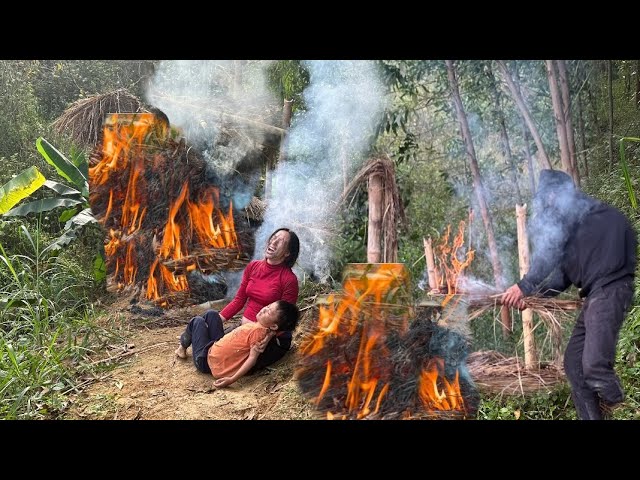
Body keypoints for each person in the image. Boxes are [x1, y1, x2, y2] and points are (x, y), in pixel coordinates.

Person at [502, 169, 636, 420]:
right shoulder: (579, 226)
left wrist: (523, 285)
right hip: (596, 294)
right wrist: (533, 298)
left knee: (595, 367)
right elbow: (561, 278)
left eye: (545, 198)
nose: (543, 204)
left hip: (610, 289)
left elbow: (548, 255)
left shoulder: (575, 211)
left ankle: (629, 409)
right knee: (574, 365)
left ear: (555, 195)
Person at [219, 227, 300, 372]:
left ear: (287, 253)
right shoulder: (253, 266)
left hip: (269, 339)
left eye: (280, 241)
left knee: (232, 365)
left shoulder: (289, 280)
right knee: (216, 347)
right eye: (274, 237)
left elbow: (285, 320)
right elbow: (239, 300)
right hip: (245, 330)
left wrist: (266, 339)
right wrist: (217, 319)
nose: (274, 242)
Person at [175, 300, 300, 388]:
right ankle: (186, 342)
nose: (264, 309)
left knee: (197, 321)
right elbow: (272, 332)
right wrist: (271, 334)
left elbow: (252, 359)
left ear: (273, 325)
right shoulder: (264, 330)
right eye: (267, 306)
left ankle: (182, 347)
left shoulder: (258, 334)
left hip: (205, 361)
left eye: (269, 312)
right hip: (215, 345)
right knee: (212, 314)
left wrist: (231, 379)